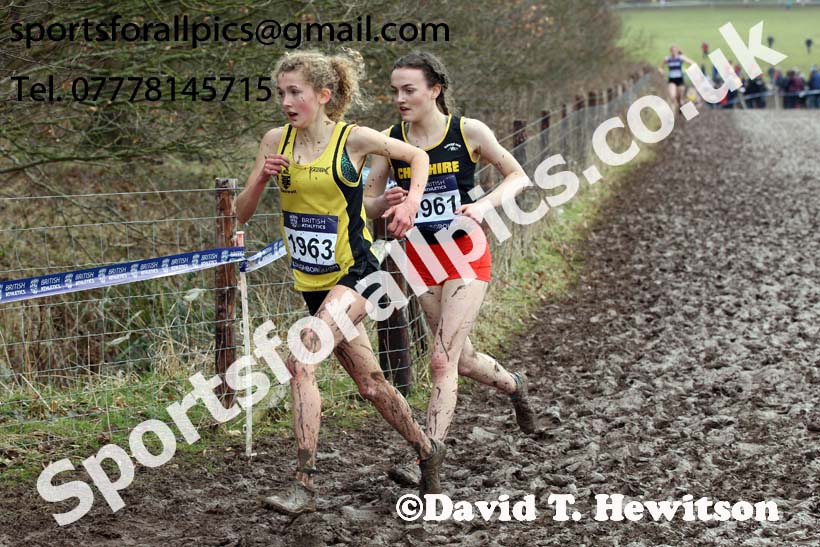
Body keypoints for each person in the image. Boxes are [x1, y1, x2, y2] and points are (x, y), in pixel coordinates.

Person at [236, 50, 447, 514]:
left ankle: (303, 484)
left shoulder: (352, 139)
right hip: (314, 283)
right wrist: (259, 181)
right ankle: (428, 450)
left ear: (323, 95)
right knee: (370, 384)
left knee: (301, 357)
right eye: (282, 93)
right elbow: (241, 213)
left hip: (360, 274)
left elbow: (416, 155)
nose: (287, 102)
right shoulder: (275, 140)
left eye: (297, 93)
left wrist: (410, 202)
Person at [363, 51, 537, 488]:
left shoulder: (467, 131)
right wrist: (384, 205)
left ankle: (428, 458)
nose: (399, 99)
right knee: (462, 359)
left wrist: (482, 205)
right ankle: (514, 384)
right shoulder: (391, 142)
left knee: (440, 360)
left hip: (465, 255)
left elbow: (518, 176)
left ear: (434, 90)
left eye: (409, 90)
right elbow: (365, 205)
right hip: (419, 258)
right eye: (395, 91)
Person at [659, 46, 697, 111]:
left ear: (677, 51)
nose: (673, 52)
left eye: (675, 51)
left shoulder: (680, 58)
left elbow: (692, 63)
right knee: (672, 97)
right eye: (672, 51)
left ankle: (680, 104)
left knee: (680, 98)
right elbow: (660, 67)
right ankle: (673, 114)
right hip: (671, 80)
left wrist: (688, 70)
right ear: (670, 51)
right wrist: (661, 71)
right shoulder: (667, 59)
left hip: (680, 80)